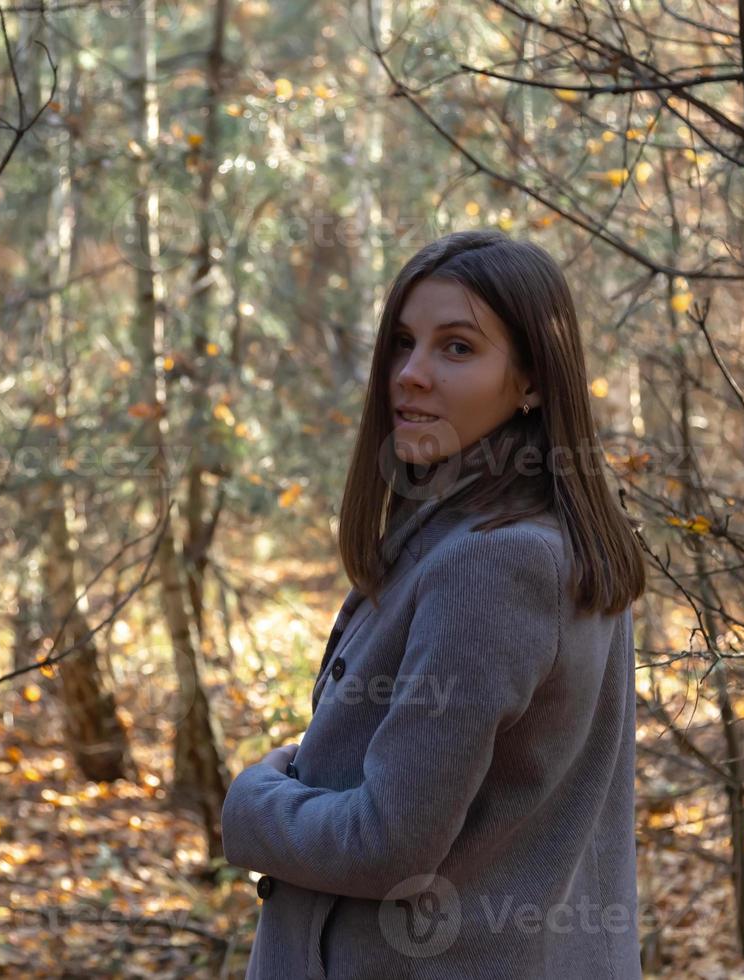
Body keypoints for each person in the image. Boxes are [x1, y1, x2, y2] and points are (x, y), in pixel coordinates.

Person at [220, 229, 646, 979]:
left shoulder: (495, 562)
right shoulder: (537, 537)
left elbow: (387, 842)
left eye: (457, 348)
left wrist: (255, 801)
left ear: (533, 382)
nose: (411, 375)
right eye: (404, 344)